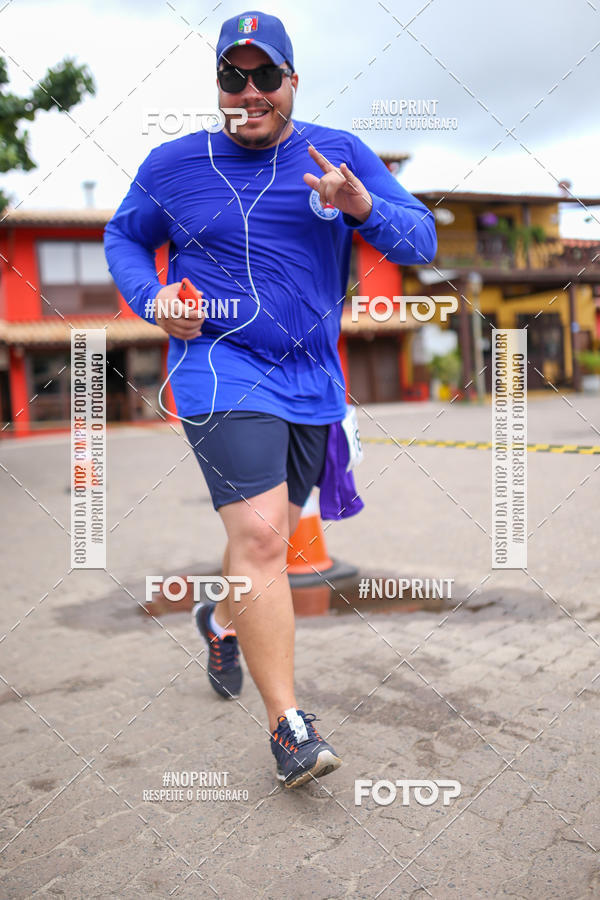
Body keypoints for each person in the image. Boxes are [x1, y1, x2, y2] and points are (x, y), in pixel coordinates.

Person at [104, 10, 437, 789]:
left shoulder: (339, 155)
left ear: (292, 80)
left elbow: (419, 241)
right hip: (217, 365)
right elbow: (124, 235)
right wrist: (152, 297)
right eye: (232, 75)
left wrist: (361, 207)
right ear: (218, 82)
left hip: (310, 380)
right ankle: (289, 726)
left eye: (264, 76)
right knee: (258, 538)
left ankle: (219, 622)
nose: (247, 92)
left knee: (272, 541)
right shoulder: (172, 165)